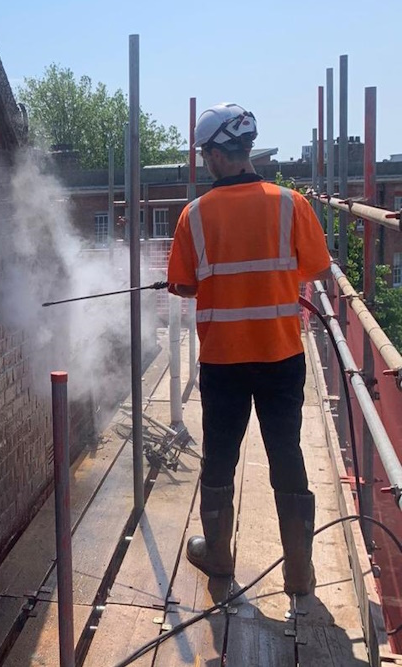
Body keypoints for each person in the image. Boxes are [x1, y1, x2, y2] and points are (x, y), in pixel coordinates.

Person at [167, 103, 332, 596]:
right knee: (287, 452)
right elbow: (317, 268)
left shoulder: (194, 215)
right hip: (282, 355)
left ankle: (218, 556)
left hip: (223, 360)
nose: (205, 161)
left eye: (205, 153)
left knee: (219, 455)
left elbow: (182, 287)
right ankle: (299, 574)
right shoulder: (291, 203)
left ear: (218, 153)